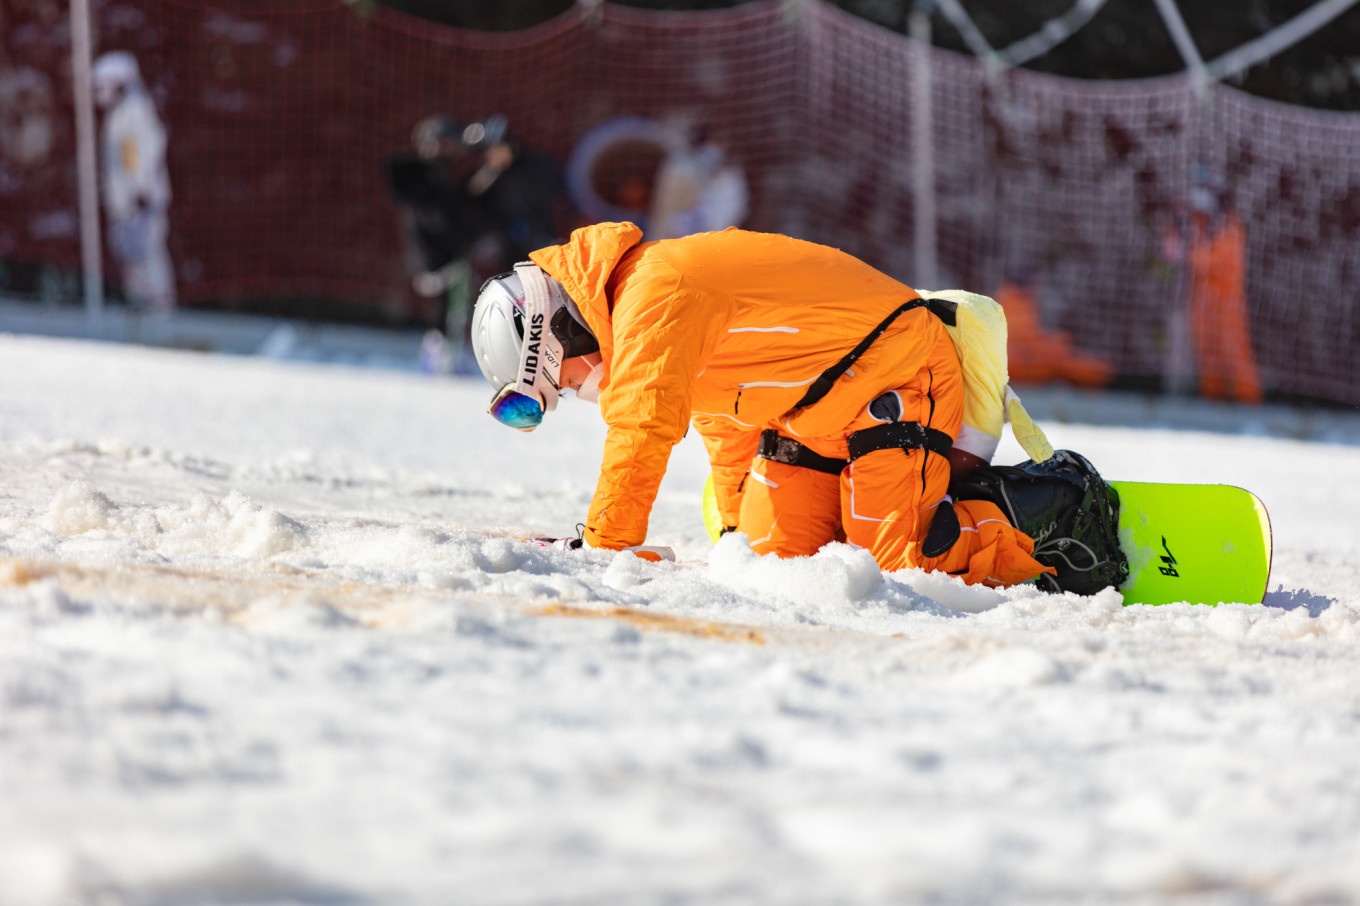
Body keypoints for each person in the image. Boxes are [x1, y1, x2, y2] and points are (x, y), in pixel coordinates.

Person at [469, 223, 1128, 594]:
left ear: (561, 335)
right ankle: (920, 504)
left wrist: (607, 546)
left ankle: (1054, 513)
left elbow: (643, 429)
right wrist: (732, 528)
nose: (572, 398)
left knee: (897, 568)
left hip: (895, 374)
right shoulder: (645, 306)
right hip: (812, 415)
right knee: (774, 567)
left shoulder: (653, 297)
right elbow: (724, 421)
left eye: (558, 387)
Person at [389, 114, 564, 371]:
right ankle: (448, 353)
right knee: (475, 304)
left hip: (537, 252)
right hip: (463, 258)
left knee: (540, 305)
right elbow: (460, 213)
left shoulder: (532, 171)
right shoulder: (449, 180)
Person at [1161, 165, 1263, 405]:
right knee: (1207, 354)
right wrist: (1177, 226)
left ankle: (1251, 402)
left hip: (1227, 301)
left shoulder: (1230, 224)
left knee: (1234, 353)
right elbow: (1172, 249)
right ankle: (1212, 400)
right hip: (1202, 300)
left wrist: (1190, 250)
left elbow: (1212, 258)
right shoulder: (1197, 220)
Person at [91, 52, 175, 314]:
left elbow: (144, 153)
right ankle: (142, 309)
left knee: (148, 254)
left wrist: (140, 190)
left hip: (139, 200)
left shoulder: (134, 112)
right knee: (131, 257)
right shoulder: (118, 115)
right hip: (126, 201)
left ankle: (160, 310)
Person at [995, 265, 1113, 388]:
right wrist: (1059, 343)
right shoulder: (1017, 304)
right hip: (1024, 369)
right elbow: (1027, 343)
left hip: (1013, 370)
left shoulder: (1002, 303)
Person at [647, 122, 748, 241]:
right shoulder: (678, 168)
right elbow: (667, 210)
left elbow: (730, 213)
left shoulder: (728, 179)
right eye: (714, 141)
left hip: (713, 244)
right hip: (669, 241)